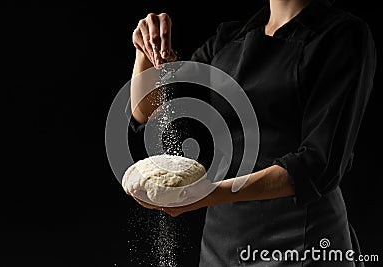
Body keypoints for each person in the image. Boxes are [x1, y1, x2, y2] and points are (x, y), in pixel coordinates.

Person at [127, 0, 376, 266]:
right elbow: (149, 111)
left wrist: (207, 193)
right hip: (223, 236)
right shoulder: (230, 39)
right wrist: (145, 51)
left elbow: (320, 163)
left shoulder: (342, 34)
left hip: (302, 237)